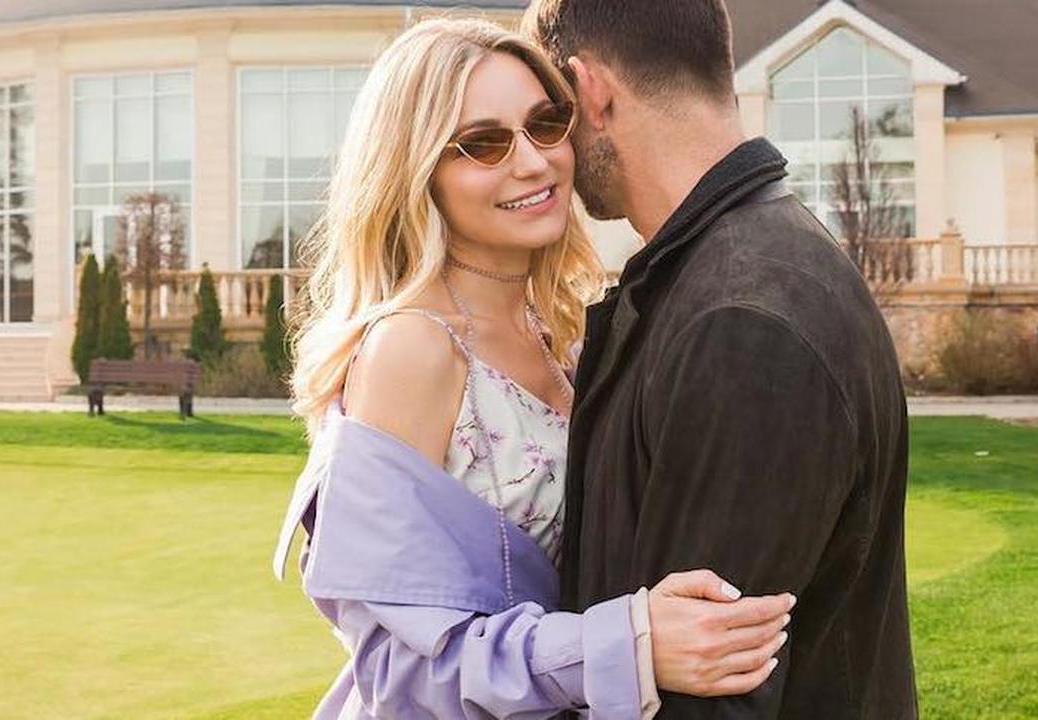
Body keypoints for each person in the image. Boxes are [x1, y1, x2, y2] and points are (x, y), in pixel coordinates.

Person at [274, 18, 793, 719]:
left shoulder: (562, 330)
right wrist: (629, 646)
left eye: (546, 125)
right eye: (483, 143)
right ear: (417, 170)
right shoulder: (413, 349)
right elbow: (398, 667)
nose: (533, 162)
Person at [523, 0, 919, 716]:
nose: (546, 152)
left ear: (591, 92)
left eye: (552, 116)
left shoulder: (742, 319)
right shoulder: (732, 269)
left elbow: (706, 699)